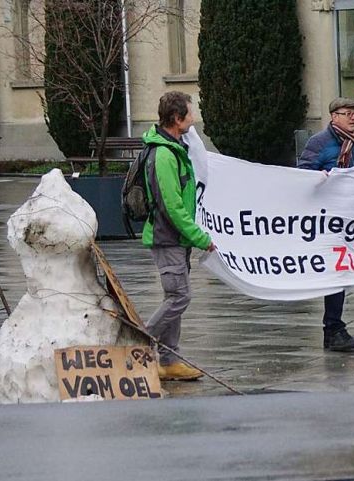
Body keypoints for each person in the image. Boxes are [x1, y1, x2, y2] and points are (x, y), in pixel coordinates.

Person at [142, 91, 215, 380]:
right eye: (190, 112)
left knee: (175, 296)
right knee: (179, 297)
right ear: (176, 118)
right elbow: (171, 206)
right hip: (167, 237)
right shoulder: (163, 154)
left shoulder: (174, 147)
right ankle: (139, 341)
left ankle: (169, 360)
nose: (193, 118)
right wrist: (200, 237)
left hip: (176, 239)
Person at [296, 97, 354, 352]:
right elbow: (302, 174)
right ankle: (333, 328)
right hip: (325, 221)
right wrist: (319, 178)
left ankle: (334, 328)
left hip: (347, 220)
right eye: (347, 113)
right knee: (335, 274)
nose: (352, 117)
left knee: (341, 274)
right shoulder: (319, 143)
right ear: (333, 116)